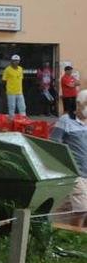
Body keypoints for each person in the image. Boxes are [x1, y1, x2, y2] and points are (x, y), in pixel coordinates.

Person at [50, 89, 87, 228]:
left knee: (69, 207)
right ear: (79, 104)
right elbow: (54, 144)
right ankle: (75, 235)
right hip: (75, 172)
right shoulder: (65, 121)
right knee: (82, 209)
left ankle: (62, 230)